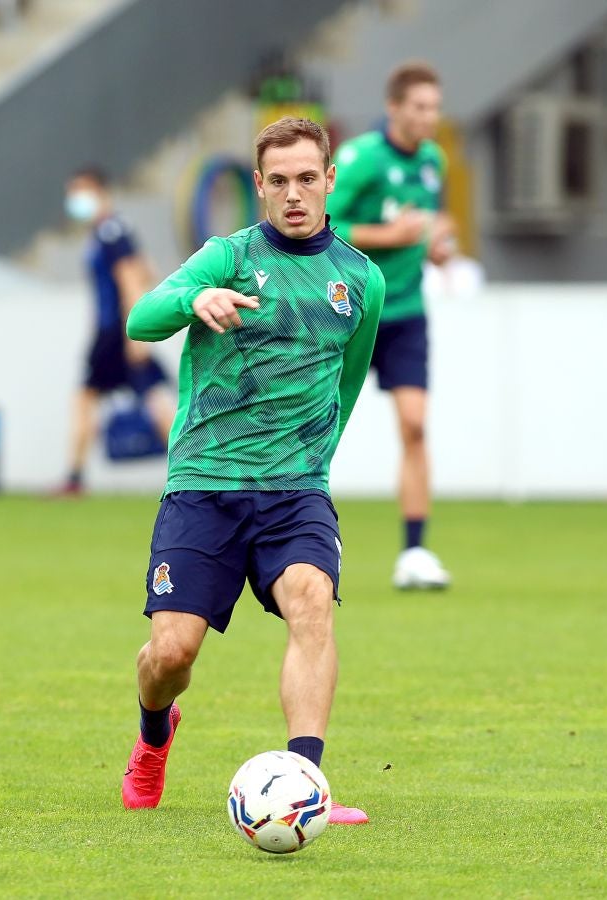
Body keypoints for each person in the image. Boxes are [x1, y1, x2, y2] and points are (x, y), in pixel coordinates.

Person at [119, 117, 384, 826]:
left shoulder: (362, 279)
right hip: (204, 484)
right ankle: (153, 735)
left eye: (307, 179)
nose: (294, 194)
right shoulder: (227, 256)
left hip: (295, 490)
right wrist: (192, 300)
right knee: (171, 655)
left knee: (312, 605)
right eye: (280, 181)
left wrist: (314, 464)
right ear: (260, 186)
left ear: (330, 181)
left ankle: (307, 786)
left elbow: (348, 382)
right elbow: (140, 320)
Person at [326, 61, 454, 590]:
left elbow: (432, 224)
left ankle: (415, 551)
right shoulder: (360, 159)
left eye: (435, 107)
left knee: (415, 426)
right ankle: (298, 531)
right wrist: (390, 235)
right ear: (394, 107)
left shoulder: (433, 160)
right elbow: (322, 223)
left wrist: (437, 246)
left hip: (405, 312)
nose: (429, 117)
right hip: (350, 312)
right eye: (420, 107)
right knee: (316, 426)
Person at [53, 166, 175, 496]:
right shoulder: (108, 232)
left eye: (81, 190)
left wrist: (135, 334)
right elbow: (147, 269)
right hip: (114, 332)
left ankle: (74, 477)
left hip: (117, 332)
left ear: (101, 192)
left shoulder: (111, 233)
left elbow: (130, 278)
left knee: (94, 398)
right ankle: (190, 473)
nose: (75, 199)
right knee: (152, 399)